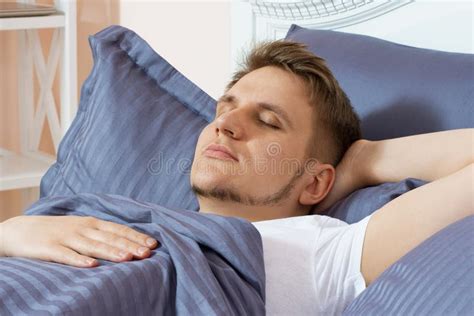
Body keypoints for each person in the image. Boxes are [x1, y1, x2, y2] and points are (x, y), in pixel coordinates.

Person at [0, 40, 472, 314]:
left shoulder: (324, 250)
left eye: (268, 121)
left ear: (315, 183)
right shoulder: (124, 220)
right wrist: (11, 233)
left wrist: (364, 160)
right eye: (226, 108)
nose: (225, 124)